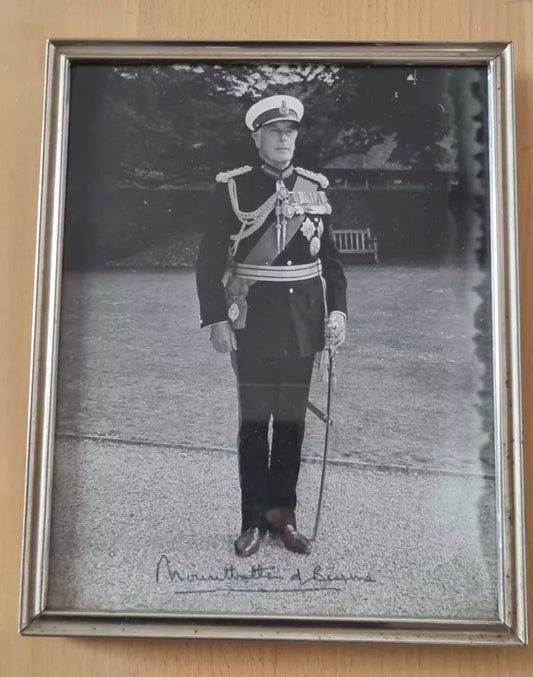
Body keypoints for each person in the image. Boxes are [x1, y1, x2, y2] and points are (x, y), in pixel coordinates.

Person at [196, 94, 347, 557]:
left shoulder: (314, 189)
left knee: (292, 427)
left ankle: (284, 521)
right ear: (257, 137)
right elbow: (207, 262)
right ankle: (252, 523)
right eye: (275, 131)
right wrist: (217, 319)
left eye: (290, 131)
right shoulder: (233, 188)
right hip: (253, 325)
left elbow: (333, 266)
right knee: (253, 426)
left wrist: (337, 312)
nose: (284, 138)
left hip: (304, 325)